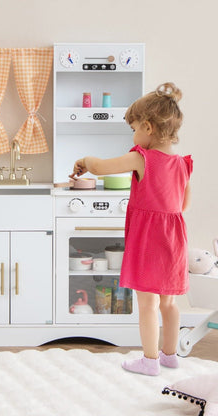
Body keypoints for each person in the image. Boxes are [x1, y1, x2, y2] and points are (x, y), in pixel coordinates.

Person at [70, 82, 192, 376]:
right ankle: (170, 355)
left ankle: (149, 361)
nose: (134, 134)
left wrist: (85, 161)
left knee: (147, 303)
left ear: (148, 128)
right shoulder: (182, 164)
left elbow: (101, 167)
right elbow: (183, 206)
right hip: (174, 239)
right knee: (169, 302)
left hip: (149, 239)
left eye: (134, 128)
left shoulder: (142, 157)